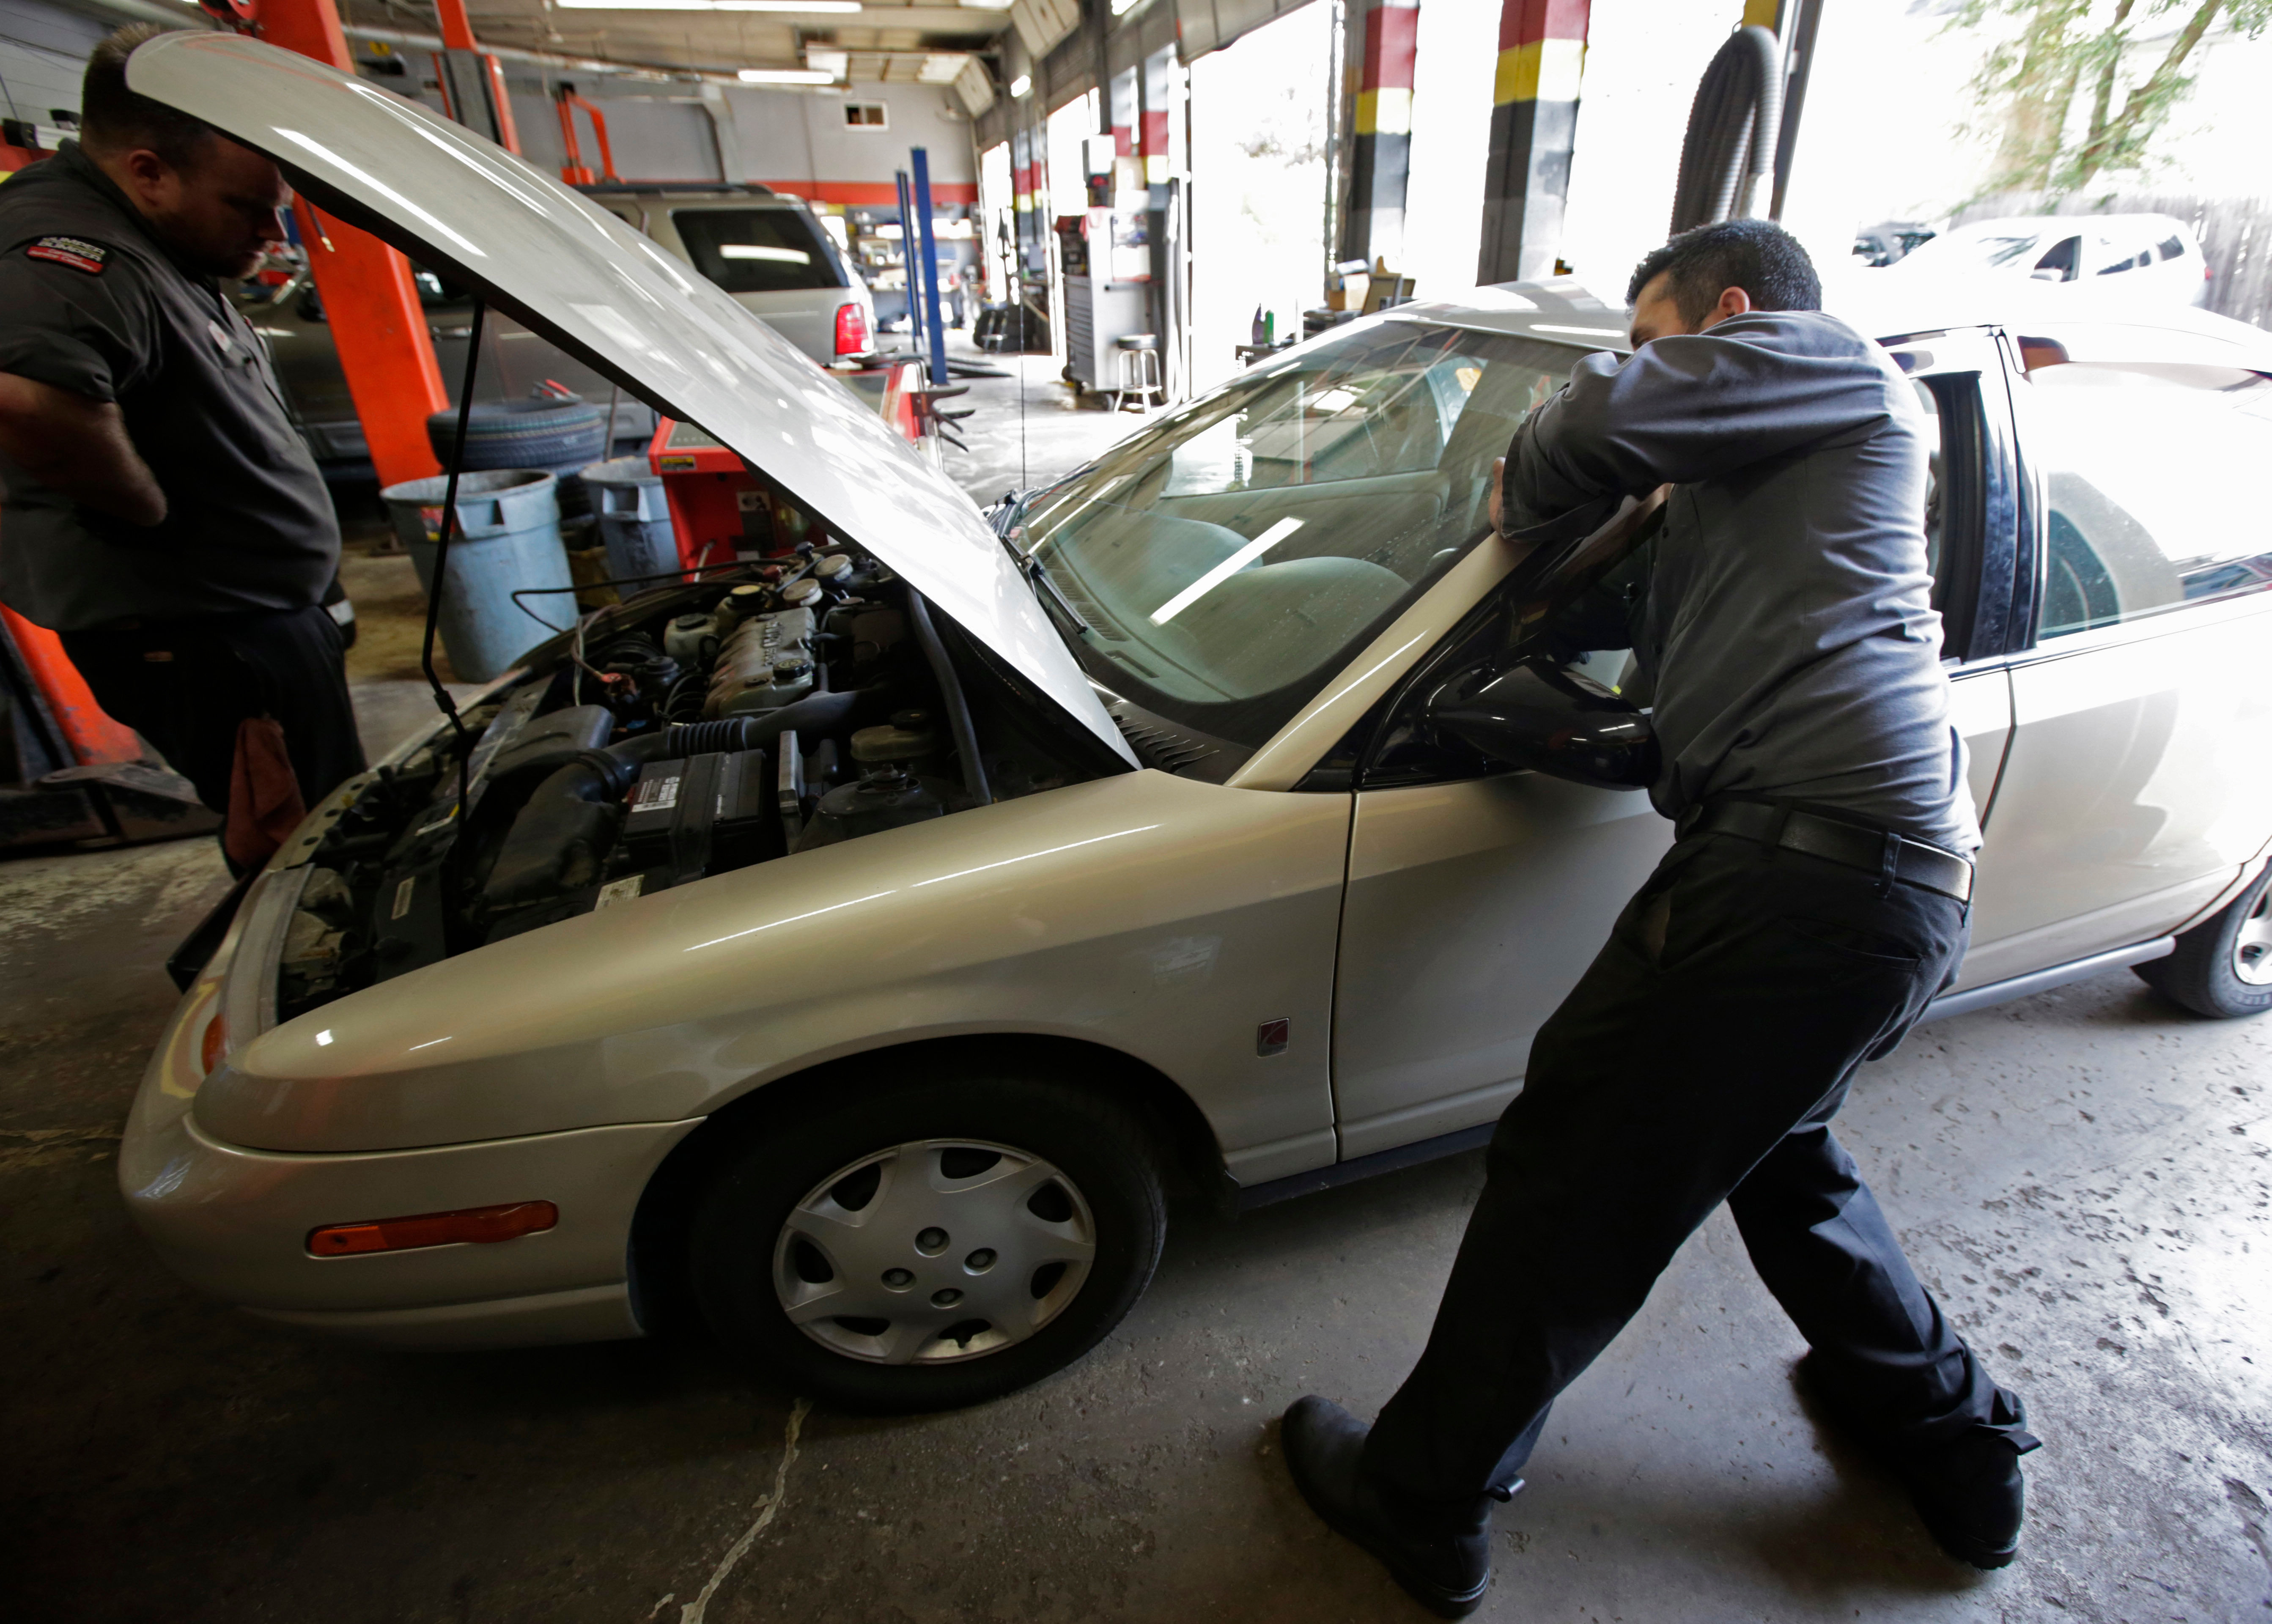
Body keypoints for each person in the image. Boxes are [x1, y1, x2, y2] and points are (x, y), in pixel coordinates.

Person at [1279, 219, 2040, 1616]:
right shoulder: (1779, 478)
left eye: (1657, 339)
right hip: (1866, 884)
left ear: (1737, 318)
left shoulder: (1831, 363)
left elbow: (1577, 440)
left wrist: (1563, 440)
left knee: (1573, 1170)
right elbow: (1692, 656)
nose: (1645, 369)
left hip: (1800, 880)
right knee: (1780, 1158)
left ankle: (1423, 1500)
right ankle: (1962, 1449)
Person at [0, 24, 362, 870]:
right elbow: (27, 406)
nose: (271, 233)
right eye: (246, 206)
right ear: (149, 173)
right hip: (211, 639)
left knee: (334, 819)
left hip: (249, 619)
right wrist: (143, 505)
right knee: (302, 858)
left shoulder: (155, 238)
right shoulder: (63, 253)